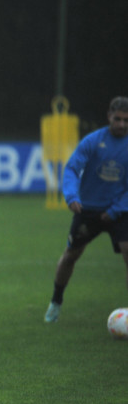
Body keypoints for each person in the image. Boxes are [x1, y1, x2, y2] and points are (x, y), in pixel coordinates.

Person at [44, 97, 128, 322]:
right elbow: (72, 168)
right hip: (89, 210)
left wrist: (116, 209)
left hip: (120, 210)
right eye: (118, 119)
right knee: (71, 255)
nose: (121, 124)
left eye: (126, 120)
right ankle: (55, 302)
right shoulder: (94, 141)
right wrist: (71, 196)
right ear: (109, 116)